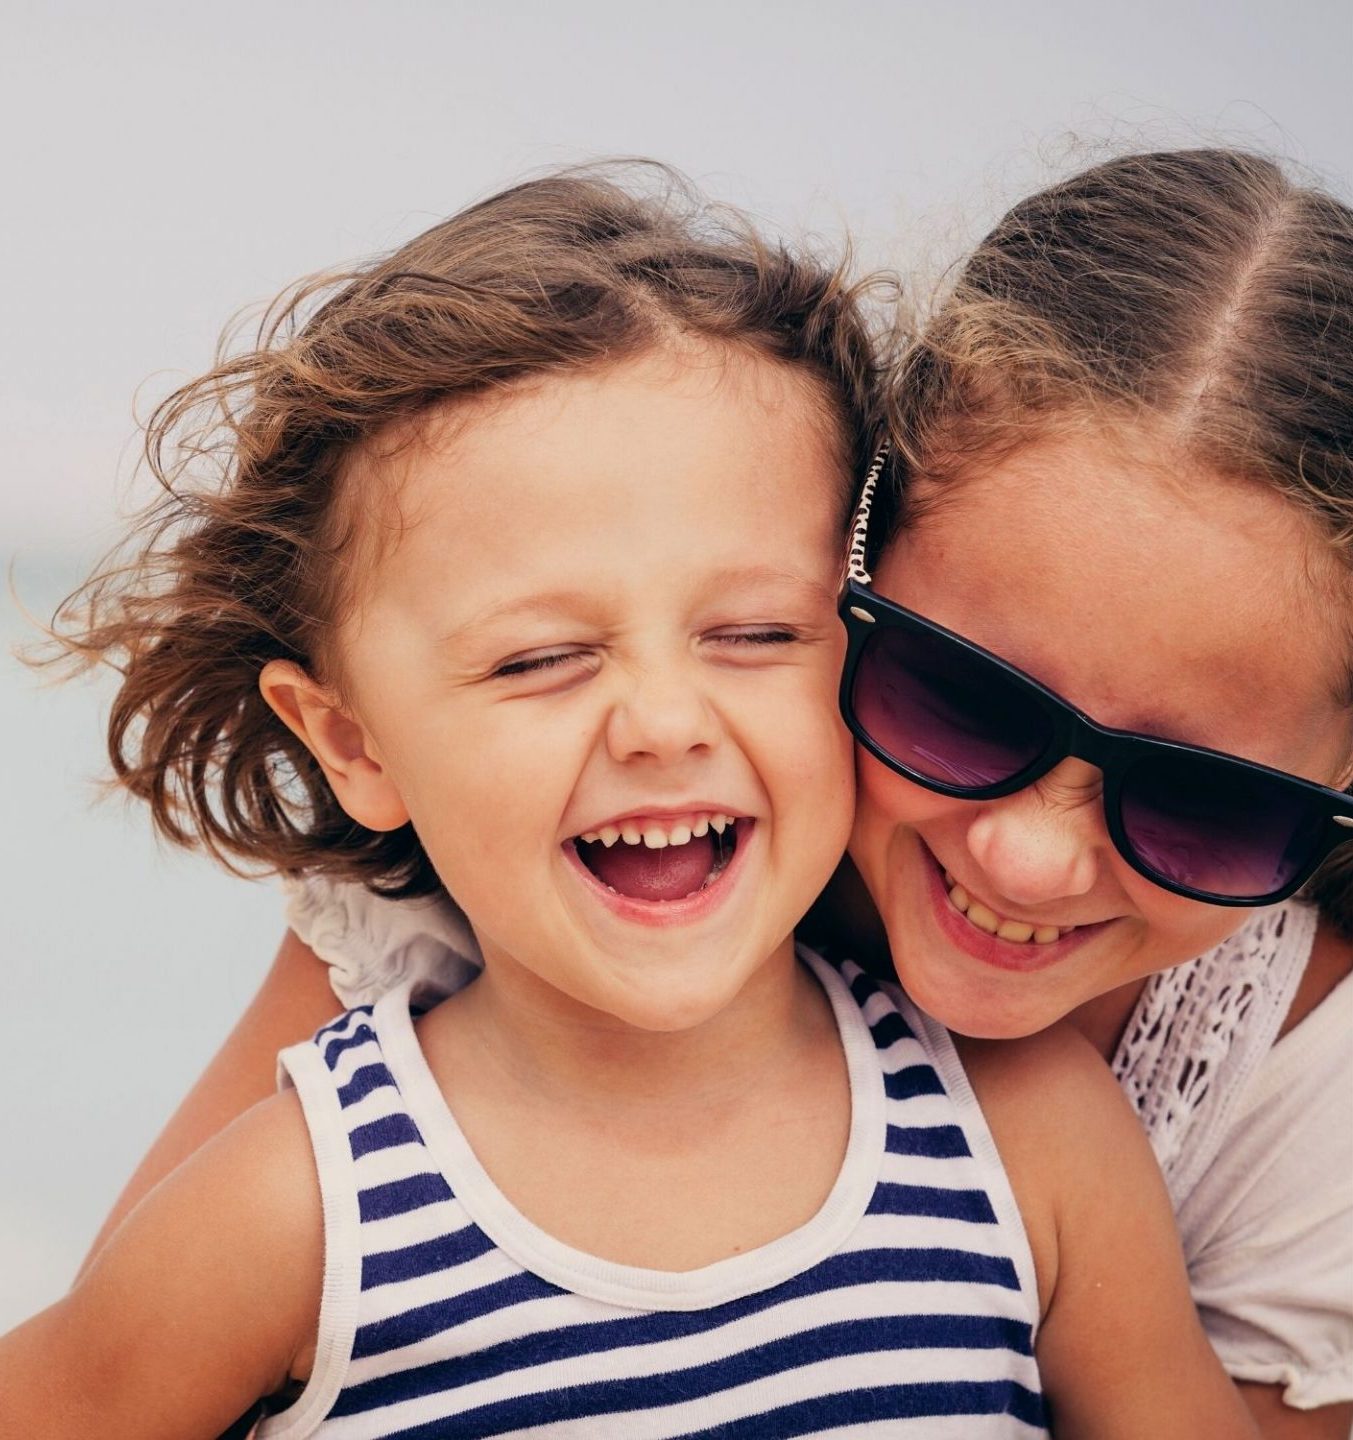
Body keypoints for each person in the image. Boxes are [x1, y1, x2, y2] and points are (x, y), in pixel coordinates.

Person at [0, 167, 1254, 1438]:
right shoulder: (291, 1221)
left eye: (758, 631)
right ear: (353, 745)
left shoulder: (1027, 1139)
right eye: (539, 659)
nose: (662, 722)